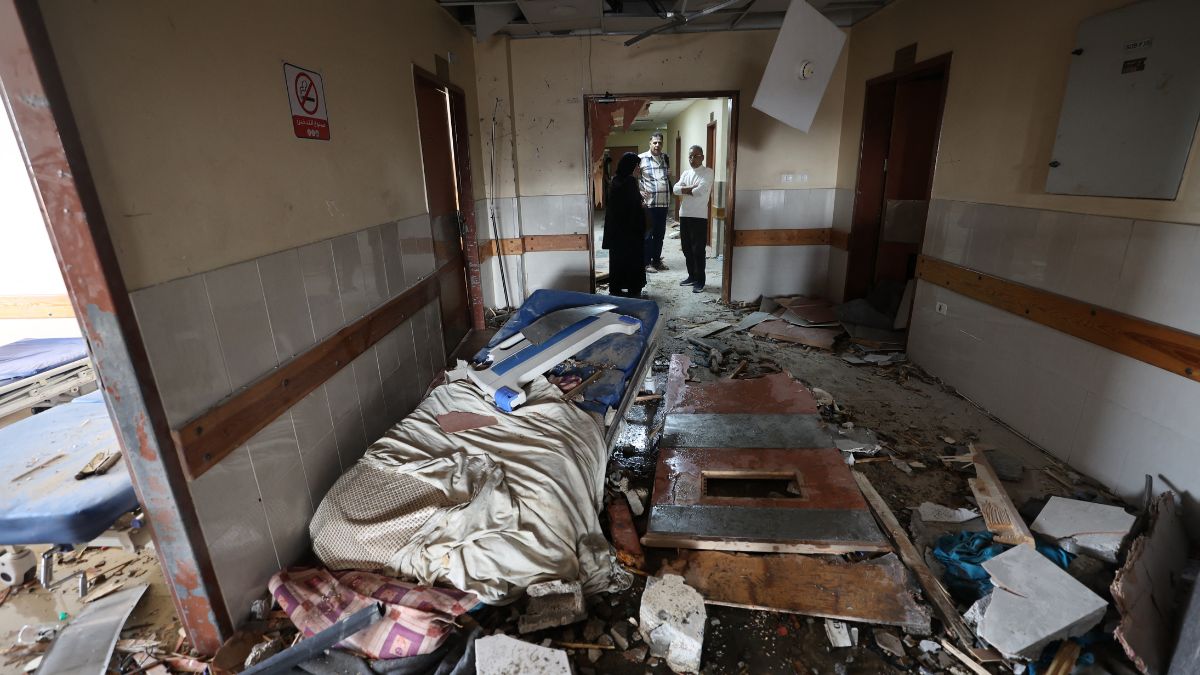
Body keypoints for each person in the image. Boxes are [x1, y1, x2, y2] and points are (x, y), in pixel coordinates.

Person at [602, 152, 648, 298]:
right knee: (633, 260)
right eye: (636, 166)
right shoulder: (630, 182)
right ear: (630, 167)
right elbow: (634, 208)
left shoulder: (616, 181)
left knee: (618, 260)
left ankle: (616, 287)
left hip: (617, 232)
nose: (638, 169)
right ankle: (633, 288)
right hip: (631, 232)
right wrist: (643, 206)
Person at [672, 145, 714, 293]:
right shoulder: (686, 173)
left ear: (702, 157)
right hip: (684, 214)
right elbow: (675, 189)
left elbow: (700, 191)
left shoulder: (708, 172)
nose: (692, 159)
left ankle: (700, 281)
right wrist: (689, 188)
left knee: (698, 249)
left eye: (695, 156)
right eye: (690, 156)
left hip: (699, 216)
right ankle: (691, 276)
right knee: (686, 248)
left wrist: (686, 189)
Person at [638, 132, 671, 273]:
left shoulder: (665, 158)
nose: (657, 145)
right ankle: (646, 263)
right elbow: (635, 177)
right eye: (655, 142)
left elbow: (666, 177)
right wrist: (638, 191)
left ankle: (656, 261)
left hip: (663, 203)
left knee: (660, 234)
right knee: (648, 235)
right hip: (649, 204)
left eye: (660, 143)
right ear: (650, 143)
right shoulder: (641, 159)